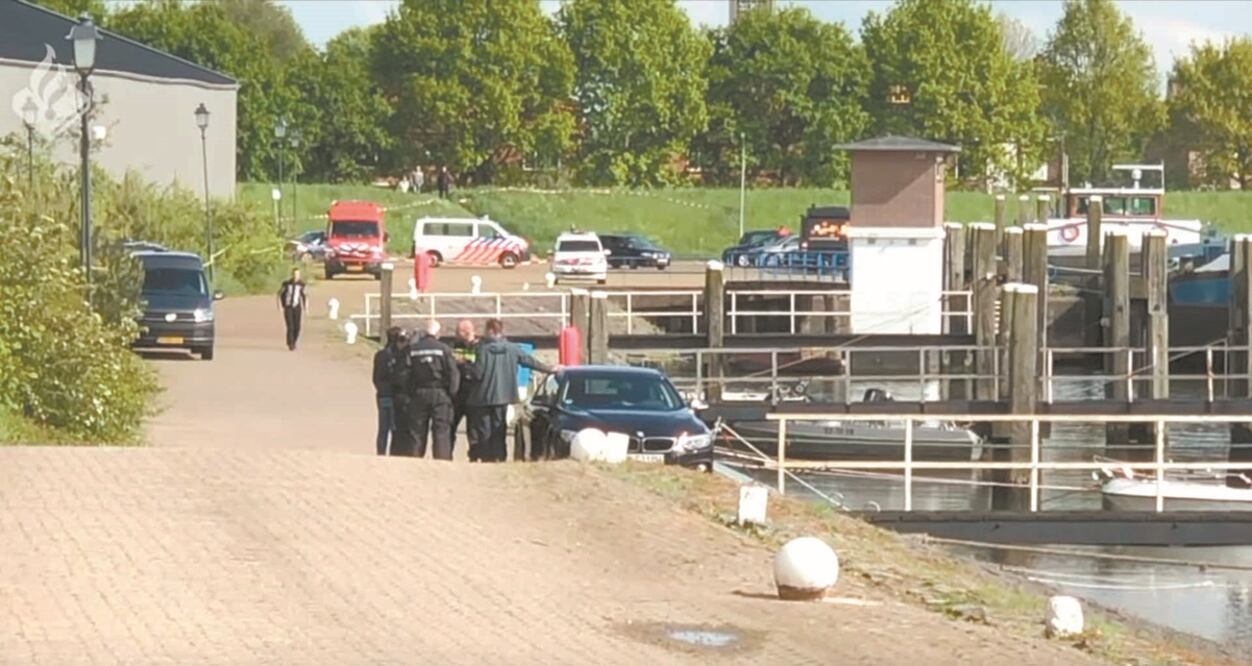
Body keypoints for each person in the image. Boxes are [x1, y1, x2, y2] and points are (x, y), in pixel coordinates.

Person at [467, 318, 556, 463]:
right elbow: (530, 362)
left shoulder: (482, 349)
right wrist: (549, 369)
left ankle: (486, 457)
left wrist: (467, 369)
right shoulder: (513, 349)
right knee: (499, 428)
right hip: (503, 396)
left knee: (484, 429)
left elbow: (478, 373)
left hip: (483, 397)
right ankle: (500, 456)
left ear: (489, 330)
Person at [404, 320, 459, 460]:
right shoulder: (444, 349)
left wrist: (411, 393)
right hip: (440, 393)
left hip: (419, 393)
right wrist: (452, 394)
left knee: (417, 431)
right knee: (441, 430)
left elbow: (406, 373)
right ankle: (442, 461)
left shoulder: (414, 349)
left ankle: (415, 460)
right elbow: (453, 373)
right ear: (438, 333)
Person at [372, 326, 406, 456]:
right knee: (395, 428)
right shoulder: (399, 355)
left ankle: (381, 453)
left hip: (382, 395)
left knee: (383, 428)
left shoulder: (380, 355)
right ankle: (394, 453)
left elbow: (375, 377)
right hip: (395, 395)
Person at [450, 319, 480, 460]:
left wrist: (463, 363)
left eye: (458, 333)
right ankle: (447, 455)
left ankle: (474, 457)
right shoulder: (455, 346)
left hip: (474, 393)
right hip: (458, 394)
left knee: (473, 430)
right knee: (450, 426)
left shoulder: (479, 347)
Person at [277, 268, 308, 350]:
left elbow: (305, 296)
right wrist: (279, 306)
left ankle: (294, 341)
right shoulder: (286, 284)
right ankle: (290, 343)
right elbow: (279, 294)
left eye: (297, 274)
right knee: (290, 326)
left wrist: (306, 307)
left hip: (297, 307)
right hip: (288, 307)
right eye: (294, 274)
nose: (296, 276)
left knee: (297, 327)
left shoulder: (302, 284)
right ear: (292, 274)